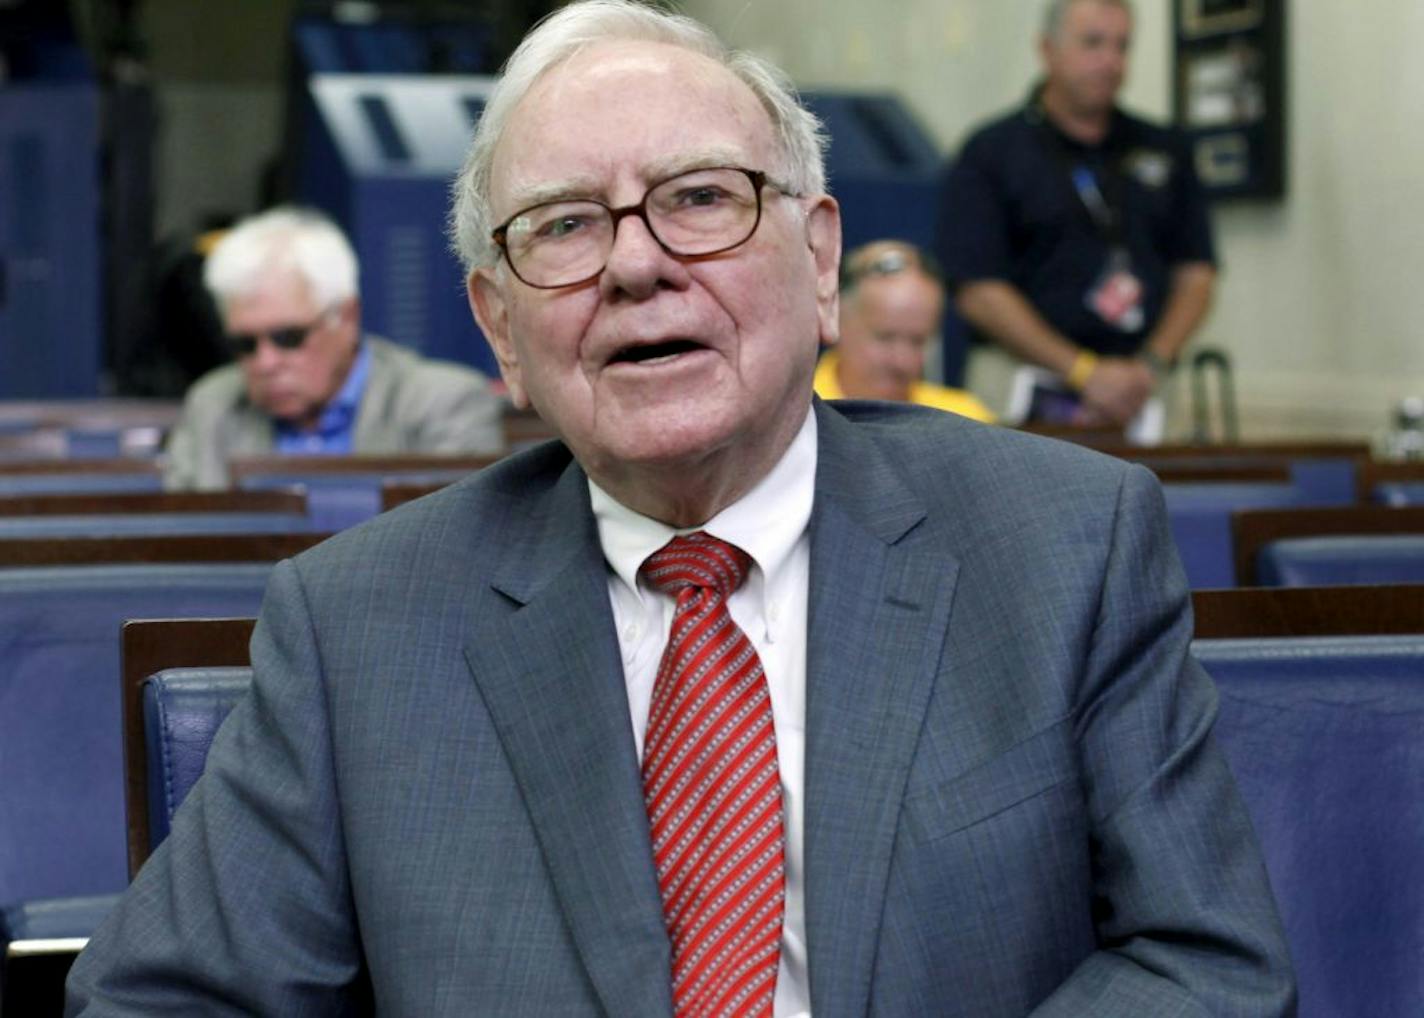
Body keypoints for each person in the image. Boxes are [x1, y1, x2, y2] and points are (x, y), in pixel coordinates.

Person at [68, 2, 1294, 1015]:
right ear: (501, 331)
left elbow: (1206, 965)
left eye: (699, 198)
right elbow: (165, 1001)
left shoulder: (1063, 544)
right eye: (563, 225)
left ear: (817, 262)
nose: (637, 262)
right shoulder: (355, 625)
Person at [938, 0, 1217, 431]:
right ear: (1047, 49)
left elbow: (1196, 273)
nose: (1110, 61)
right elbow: (978, 291)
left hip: (1142, 386)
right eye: (1092, 43)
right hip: (1023, 378)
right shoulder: (991, 152)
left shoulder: (1166, 149)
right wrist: (1084, 372)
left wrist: (1150, 365)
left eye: (1122, 46)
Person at [163, 206, 504, 489]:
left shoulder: (441, 403)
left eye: (288, 337)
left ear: (346, 317)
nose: (265, 362)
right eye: (244, 343)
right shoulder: (212, 407)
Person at [815, 240, 994, 422]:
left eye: (918, 341)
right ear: (835, 320)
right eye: (885, 337)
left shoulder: (964, 420)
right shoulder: (797, 414)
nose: (902, 361)